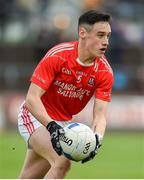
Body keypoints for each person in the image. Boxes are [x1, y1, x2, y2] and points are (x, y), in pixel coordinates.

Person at [18, 10, 114, 179]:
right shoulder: (58, 56)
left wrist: (97, 138)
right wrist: (51, 126)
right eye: (100, 35)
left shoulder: (104, 72)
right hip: (35, 116)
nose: (105, 42)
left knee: (29, 176)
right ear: (82, 33)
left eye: (108, 36)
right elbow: (32, 98)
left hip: (63, 124)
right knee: (62, 161)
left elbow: (100, 115)